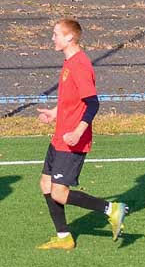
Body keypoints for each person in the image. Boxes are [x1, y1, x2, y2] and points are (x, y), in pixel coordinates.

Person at [35, 18, 128, 250]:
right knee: (46, 184)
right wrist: (56, 113)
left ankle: (112, 209)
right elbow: (72, 99)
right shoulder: (69, 63)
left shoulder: (80, 65)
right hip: (60, 136)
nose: (52, 38)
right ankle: (64, 237)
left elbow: (93, 104)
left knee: (59, 193)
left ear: (70, 38)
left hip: (72, 139)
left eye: (56, 34)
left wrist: (77, 132)